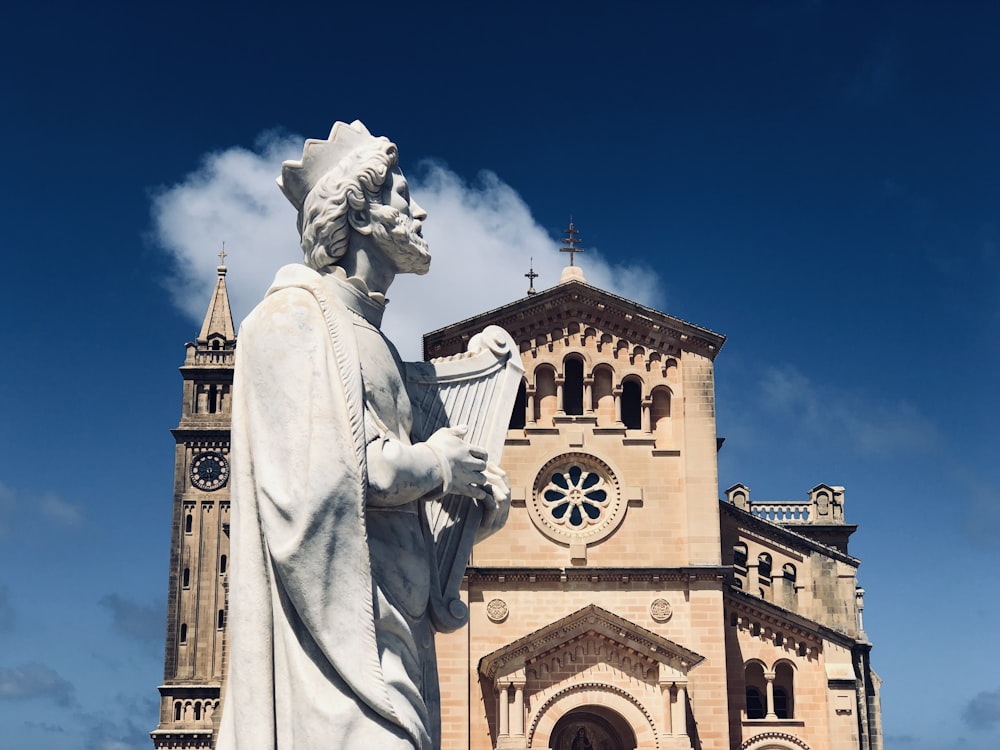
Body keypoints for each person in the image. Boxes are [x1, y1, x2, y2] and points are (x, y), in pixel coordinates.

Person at [216, 121, 510, 750]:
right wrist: (438, 465)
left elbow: (387, 505)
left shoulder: (374, 342)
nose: (422, 209)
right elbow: (329, 477)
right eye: (403, 195)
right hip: (333, 662)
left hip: (397, 642)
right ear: (362, 211)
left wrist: (469, 509)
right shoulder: (292, 319)